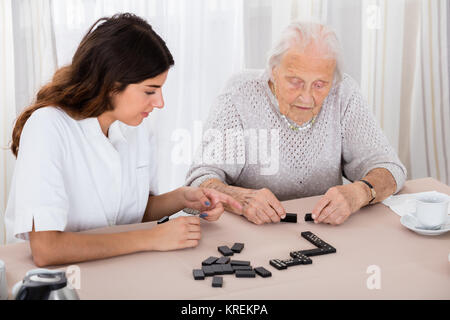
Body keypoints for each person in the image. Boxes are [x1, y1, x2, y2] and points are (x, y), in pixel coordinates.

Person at [5, 13, 241, 267]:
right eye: (150, 91)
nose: (160, 103)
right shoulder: (48, 127)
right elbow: (47, 249)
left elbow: (133, 212)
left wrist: (183, 198)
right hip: (61, 280)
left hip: (120, 267)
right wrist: (152, 238)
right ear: (110, 84)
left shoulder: (135, 127)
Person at [185, 21, 406, 226]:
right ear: (273, 71)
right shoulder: (239, 94)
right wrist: (240, 198)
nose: (306, 97)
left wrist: (360, 192)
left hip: (323, 229)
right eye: (295, 82)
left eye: (320, 85)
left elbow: (390, 168)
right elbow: (199, 180)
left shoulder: (343, 92)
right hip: (252, 232)